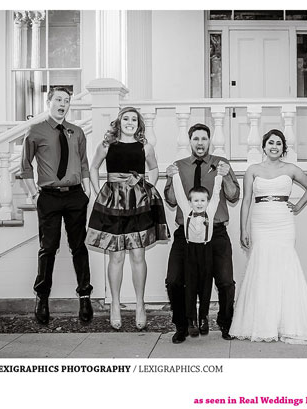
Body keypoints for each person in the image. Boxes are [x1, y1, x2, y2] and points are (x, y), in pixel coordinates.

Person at [229, 129, 307, 345]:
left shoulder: (291, 169)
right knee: (262, 266)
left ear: (283, 148)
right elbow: (246, 201)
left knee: (285, 266)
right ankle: (262, 323)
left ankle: (288, 323)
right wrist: (243, 230)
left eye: (278, 143)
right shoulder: (253, 170)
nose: (274, 146)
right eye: (271, 143)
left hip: (283, 222)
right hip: (260, 222)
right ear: (264, 146)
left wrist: (298, 206)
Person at [85, 107, 170, 330]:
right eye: (126, 118)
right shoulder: (107, 145)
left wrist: (146, 187)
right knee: (116, 255)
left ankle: (140, 304)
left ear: (139, 124)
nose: (130, 122)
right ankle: (115, 304)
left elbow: (154, 169)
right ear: (119, 122)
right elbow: (93, 168)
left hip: (138, 202)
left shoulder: (145, 146)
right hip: (113, 202)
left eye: (134, 119)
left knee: (138, 254)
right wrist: (98, 192)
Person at [20, 86, 93, 325]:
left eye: (67, 100)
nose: (63, 104)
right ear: (49, 102)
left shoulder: (77, 132)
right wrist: (34, 194)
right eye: (59, 99)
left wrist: (87, 191)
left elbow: (83, 163)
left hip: (75, 196)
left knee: (78, 247)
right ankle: (42, 298)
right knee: (48, 248)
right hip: (49, 197)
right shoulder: (35, 131)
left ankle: (85, 297)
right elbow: (25, 166)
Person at [164, 123, 240, 344]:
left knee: (225, 281)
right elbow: (171, 200)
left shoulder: (221, 163)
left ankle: (225, 323)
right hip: (185, 234)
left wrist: (226, 176)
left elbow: (233, 196)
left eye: (204, 138)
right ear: (190, 141)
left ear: (209, 141)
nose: (200, 143)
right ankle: (182, 325)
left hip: (216, 233)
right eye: (196, 138)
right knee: (174, 281)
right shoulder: (179, 166)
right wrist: (170, 178)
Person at [170, 170, 223, 337]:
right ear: (190, 202)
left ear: (207, 202)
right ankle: (191, 319)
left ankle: (203, 318)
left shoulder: (210, 211)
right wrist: (175, 175)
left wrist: (219, 175)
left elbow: (216, 193)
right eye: (196, 200)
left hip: (206, 251)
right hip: (190, 251)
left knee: (205, 285)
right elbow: (179, 193)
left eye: (202, 200)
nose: (199, 204)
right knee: (190, 285)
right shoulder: (187, 211)